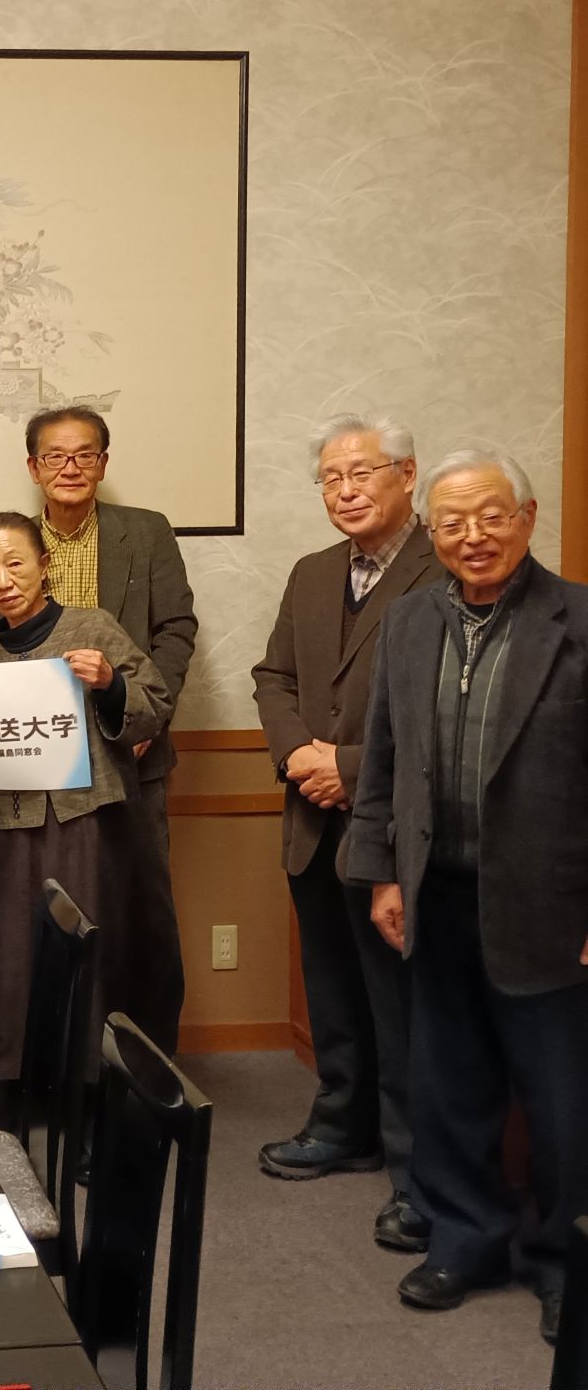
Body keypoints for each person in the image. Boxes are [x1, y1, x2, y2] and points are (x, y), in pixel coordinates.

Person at [346, 449, 588, 1347]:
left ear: (528, 518)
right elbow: (383, 758)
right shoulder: (410, 621)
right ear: (433, 532)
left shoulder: (578, 619)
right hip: (435, 892)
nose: (472, 535)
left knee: (563, 1100)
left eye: (491, 516)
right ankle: (465, 1239)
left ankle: (566, 1265)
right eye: (452, 522)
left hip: (552, 904)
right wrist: (382, 872)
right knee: (448, 1082)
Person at [252, 415, 444, 1252]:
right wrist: (298, 753)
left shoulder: (446, 566)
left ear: (407, 473)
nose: (346, 490)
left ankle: (417, 1172)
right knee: (331, 987)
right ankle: (341, 1125)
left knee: (403, 1005)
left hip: (399, 826)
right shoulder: (313, 572)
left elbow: (448, 710)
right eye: (331, 477)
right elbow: (274, 676)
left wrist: (351, 766)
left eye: (362, 472)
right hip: (312, 816)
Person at [0, 512, 177, 1101]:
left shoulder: (90, 626)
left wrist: (111, 683)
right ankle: (8, 1090)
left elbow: (154, 704)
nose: (2, 581)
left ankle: (94, 1093)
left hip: (87, 820)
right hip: (9, 826)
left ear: (44, 566)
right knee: (9, 958)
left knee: (91, 953)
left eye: (15, 564)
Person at [0, 407, 196, 868]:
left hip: (128, 748)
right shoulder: (6, 547)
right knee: (39, 889)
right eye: (54, 457)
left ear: (102, 463)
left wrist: (143, 718)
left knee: (137, 890)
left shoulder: (146, 532)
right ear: (34, 468)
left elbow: (175, 631)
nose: (70, 469)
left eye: (84, 456)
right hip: (33, 753)